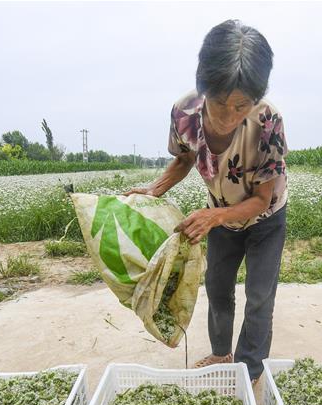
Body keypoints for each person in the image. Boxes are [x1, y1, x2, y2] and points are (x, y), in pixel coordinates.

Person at [125, 19, 287, 384]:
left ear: (255, 99)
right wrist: (154, 189)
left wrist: (213, 217)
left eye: (241, 105)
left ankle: (248, 369)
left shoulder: (268, 121)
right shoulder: (184, 114)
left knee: (260, 295)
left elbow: (262, 199)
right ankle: (220, 352)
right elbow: (183, 158)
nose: (228, 116)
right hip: (219, 215)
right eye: (219, 103)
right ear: (203, 87)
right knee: (217, 285)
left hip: (265, 219)